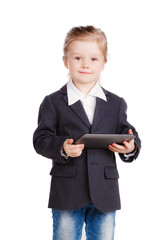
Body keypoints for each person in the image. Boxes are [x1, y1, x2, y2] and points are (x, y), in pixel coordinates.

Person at [33, 25, 141, 240]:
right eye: (77, 58)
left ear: (103, 63)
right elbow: (41, 139)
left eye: (93, 59)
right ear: (66, 61)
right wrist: (62, 147)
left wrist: (130, 147)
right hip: (67, 192)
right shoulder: (53, 102)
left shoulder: (116, 103)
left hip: (105, 192)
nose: (85, 65)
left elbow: (129, 132)